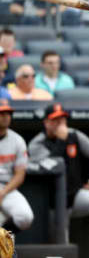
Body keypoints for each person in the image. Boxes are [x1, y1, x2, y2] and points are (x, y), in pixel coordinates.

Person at [28, 103, 89, 258]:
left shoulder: (74, 135)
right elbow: (53, 166)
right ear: (46, 123)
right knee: (58, 247)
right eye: (55, 120)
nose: (60, 124)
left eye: (62, 119)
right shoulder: (37, 144)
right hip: (51, 205)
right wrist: (62, 142)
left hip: (74, 196)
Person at [0, 100, 34, 235]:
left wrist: (3, 192)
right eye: (2, 113)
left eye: (8, 113)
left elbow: (20, 175)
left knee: (25, 217)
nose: (5, 117)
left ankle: (3, 235)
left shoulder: (17, 140)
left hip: (7, 188)